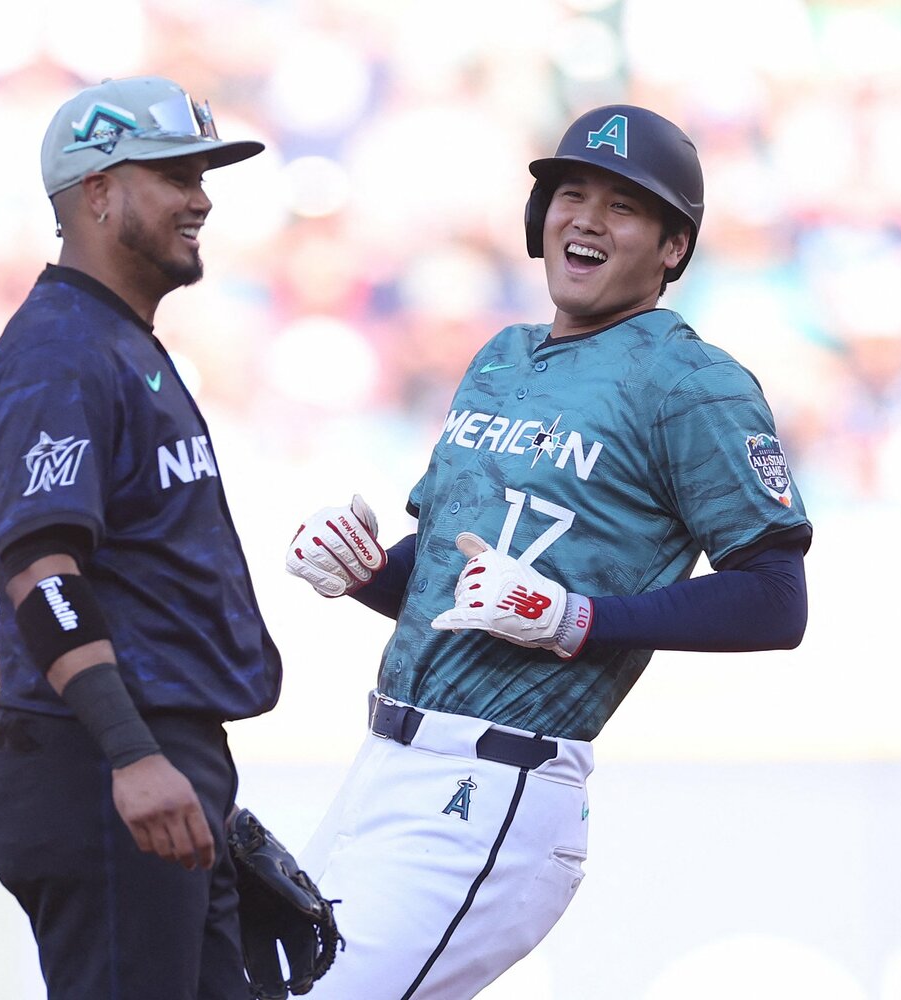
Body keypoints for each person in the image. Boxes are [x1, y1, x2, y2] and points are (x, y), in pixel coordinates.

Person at [285, 105, 814, 998]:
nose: (588, 219)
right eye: (572, 194)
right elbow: (458, 585)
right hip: (382, 764)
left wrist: (577, 619)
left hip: (496, 788)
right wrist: (371, 570)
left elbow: (775, 598)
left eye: (624, 206)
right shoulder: (500, 356)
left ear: (672, 248)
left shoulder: (692, 382)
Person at [0, 75, 280, 1000]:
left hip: (155, 757)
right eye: (174, 174)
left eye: (203, 174)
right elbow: (39, 570)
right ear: (98, 192)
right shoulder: (59, 349)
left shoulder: (117, 340)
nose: (202, 197)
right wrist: (132, 754)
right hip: (96, 757)